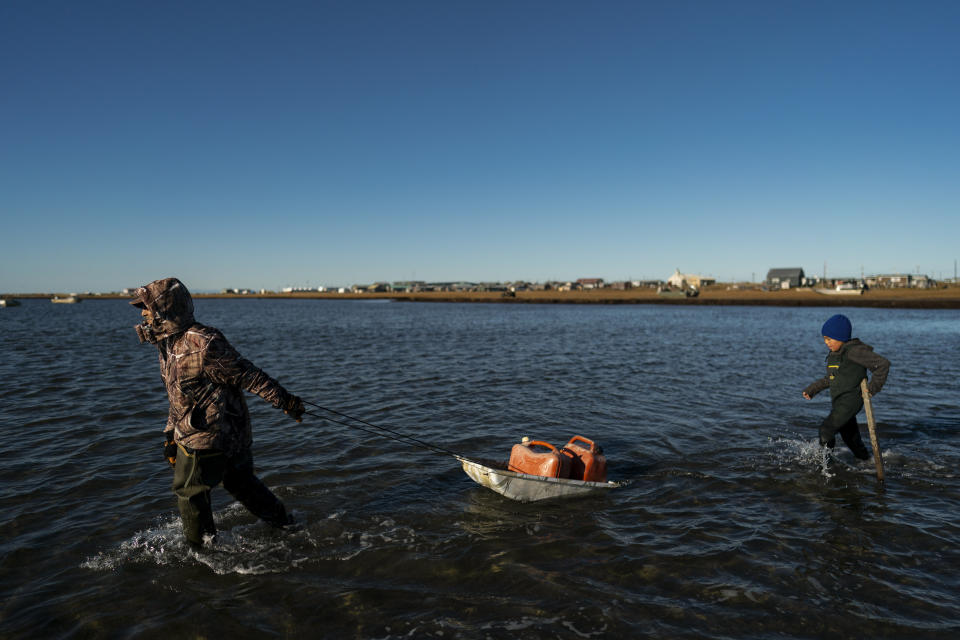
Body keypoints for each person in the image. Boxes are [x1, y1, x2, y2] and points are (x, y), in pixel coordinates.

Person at [131, 277, 305, 546]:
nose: (143, 314)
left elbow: (250, 376)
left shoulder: (203, 342)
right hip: (219, 431)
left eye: (146, 307)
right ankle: (286, 526)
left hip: (207, 435)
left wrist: (286, 402)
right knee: (240, 482)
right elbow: (178, 394)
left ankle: (202, 552)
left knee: (188, 491)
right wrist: (169, 435)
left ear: (165, 309)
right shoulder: (168, 344)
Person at [802, 313, 890, 459]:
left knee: (826, 431)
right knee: (850, 438)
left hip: (850, 400)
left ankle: (826, 467)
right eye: (825, 339)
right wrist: (813, 389)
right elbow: (830, 378)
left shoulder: (854, 351)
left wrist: (872, 389)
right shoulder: (834, 354)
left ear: (842, 337)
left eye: (830, 339)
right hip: (839, 401)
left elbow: (882, 365)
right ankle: (866, 462)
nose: (826, 343)